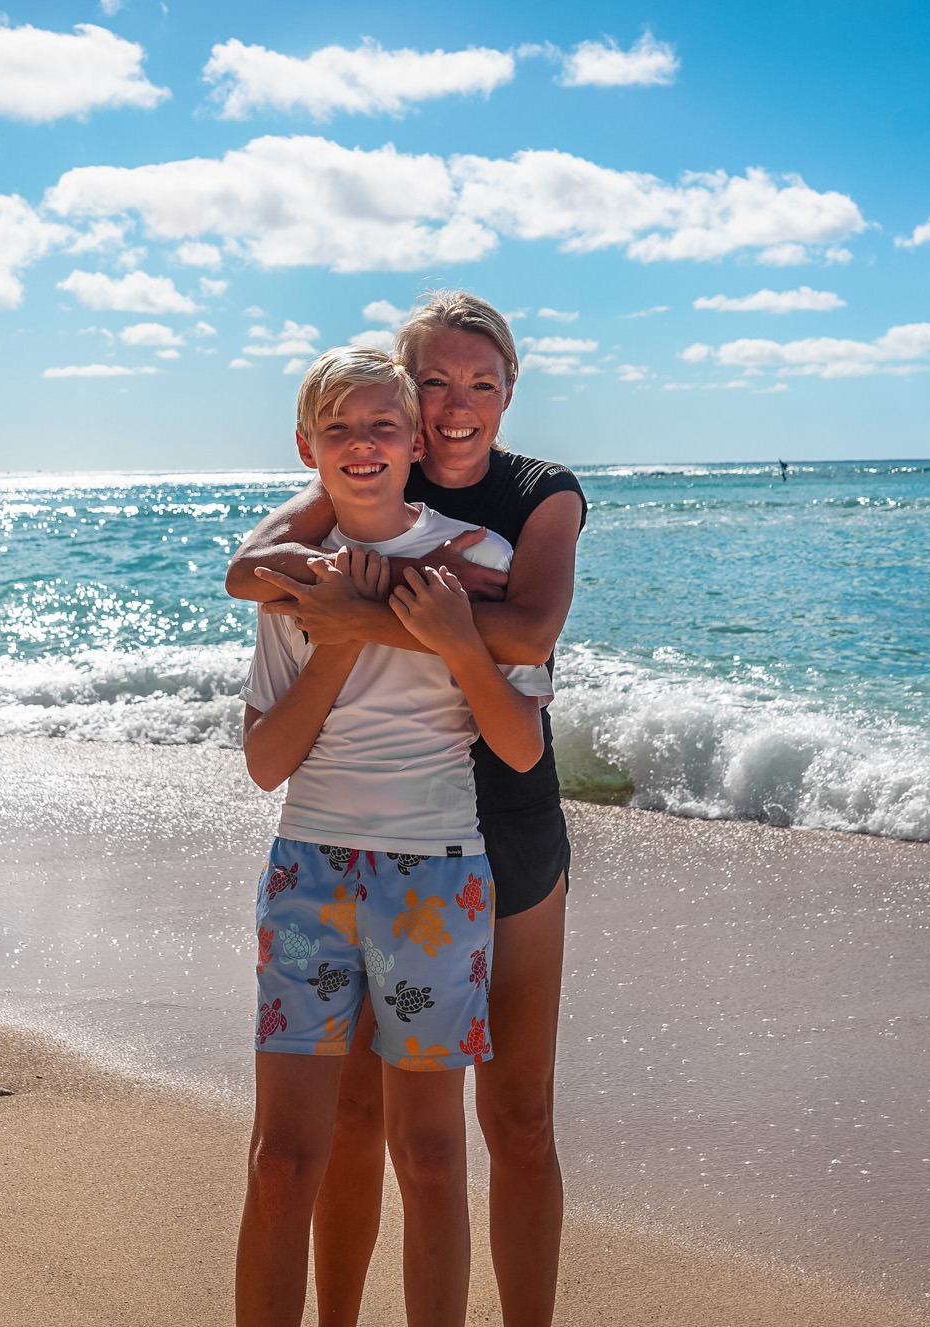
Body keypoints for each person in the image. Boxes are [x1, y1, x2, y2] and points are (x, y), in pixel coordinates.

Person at [227, 292, 586, 1327]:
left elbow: (524, 659)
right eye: (431, 384)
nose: (451, 406)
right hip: (321, 855)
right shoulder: (323, 534)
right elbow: (251, 592)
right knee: (312, 1140)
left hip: (463, 850)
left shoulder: (500, 529)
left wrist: (420, 624)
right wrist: (333, 618)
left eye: (480, 383)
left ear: (508, 394)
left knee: (478, 1132)